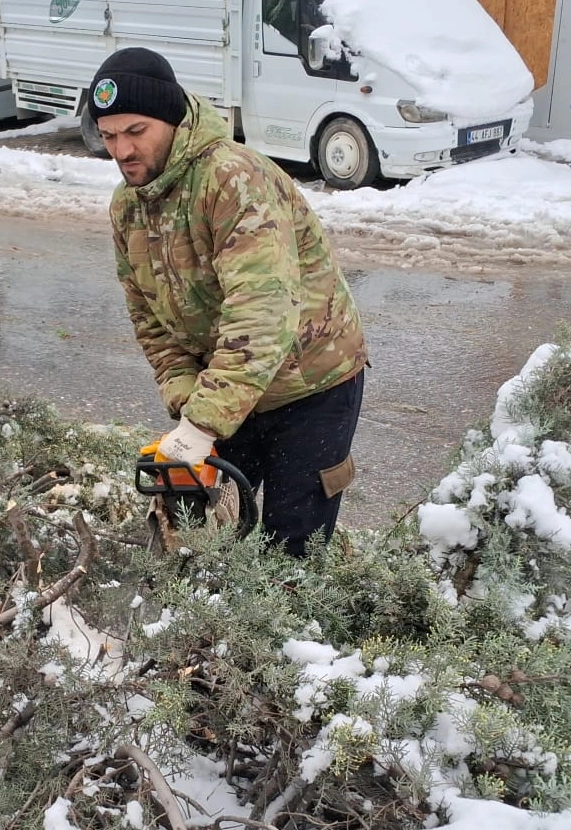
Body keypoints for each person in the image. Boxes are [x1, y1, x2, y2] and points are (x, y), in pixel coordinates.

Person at [90, 47, 368, 556]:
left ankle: (293, 626)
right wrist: (184, 399)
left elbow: (261, 317)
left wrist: (202, 424)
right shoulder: (128, 207)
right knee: (197, 530)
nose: (122, 151)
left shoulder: (235, 181)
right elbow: (149, 319)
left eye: (136, 131)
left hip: (310, 384)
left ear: (172, 119)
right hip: (224, 388)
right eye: (109, 136)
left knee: (292, 546)